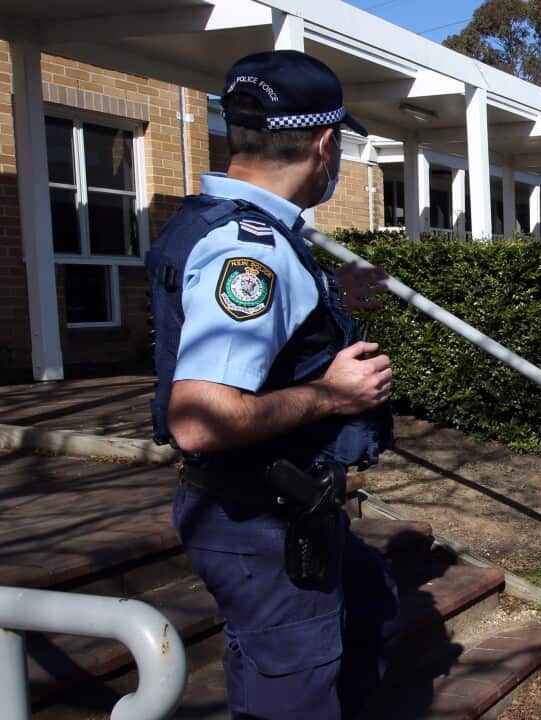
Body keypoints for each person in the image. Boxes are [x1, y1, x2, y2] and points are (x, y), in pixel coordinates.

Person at [147, 50, 399, 719]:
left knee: (371, 603)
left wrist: (327, 297)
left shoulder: (222, 222)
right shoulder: (250, 251)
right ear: (325, 144)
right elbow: (198, 418)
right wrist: (336, 395)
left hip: (271, 505)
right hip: (259, 517)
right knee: (291, 689)